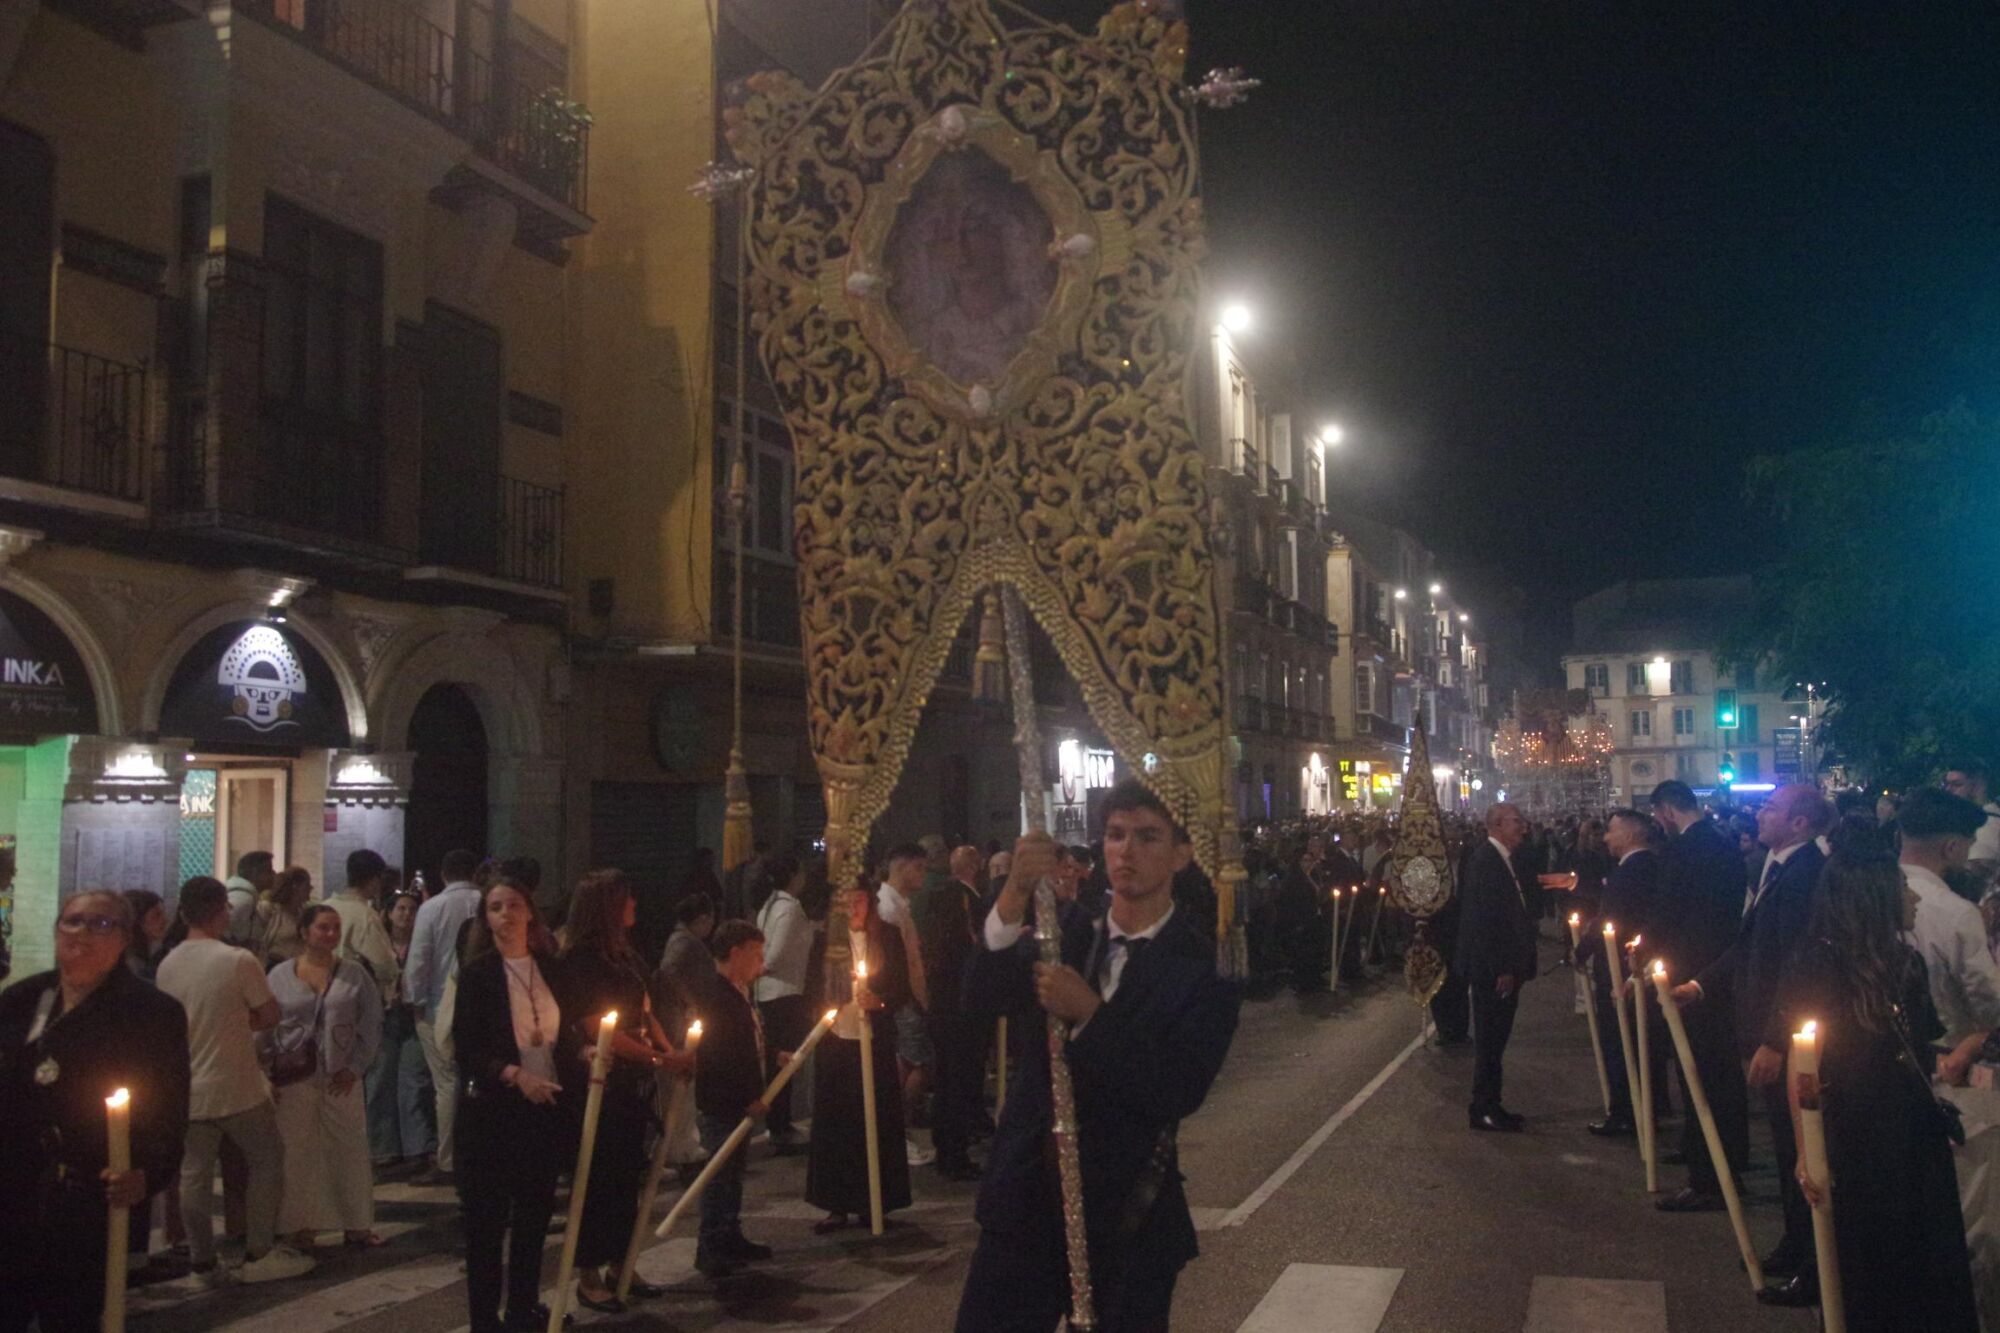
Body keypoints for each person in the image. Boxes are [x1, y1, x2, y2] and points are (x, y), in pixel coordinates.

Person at [956, 780, 1241, 1332]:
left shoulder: (1203, 965)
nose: (1125, 851)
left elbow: (1176, 1088)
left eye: (1147, 836)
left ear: (1182, 853)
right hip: (1026, 1204)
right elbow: (979, 1000)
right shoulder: (1065, 932)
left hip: (1126, 1217)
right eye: (1114, 835)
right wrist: (1013, 892)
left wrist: (1090, 1015)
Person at [1780, 832, 1979, 1331]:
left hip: (1911, 1130)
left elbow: (1919, 1044)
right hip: (1858, 1131)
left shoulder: (1906, 963)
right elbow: (1803, 1065)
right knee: (1871, 1257)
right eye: (1901, 889)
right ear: (1874, 897)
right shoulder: (1822, 965)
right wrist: (1808, 1152)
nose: (1912, 898)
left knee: (1923, 1254)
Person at [0, 890, 190, 1332]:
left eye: (102, 924)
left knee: (70, 1315)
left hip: (86, 1199)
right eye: (73, 921)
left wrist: (148, 1171)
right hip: (14, 1192)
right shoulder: (22, 1000)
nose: (83, 932)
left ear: (125, 938)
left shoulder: (150, 1013)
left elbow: (168, 1108)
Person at [1677, 783, 1828, 1277]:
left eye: (1771, 808)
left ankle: (1812, 1262)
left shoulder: (1806, 874)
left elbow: (1798, 964)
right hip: (1768, 1026)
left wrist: (1774, 1039)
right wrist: (1700, 984)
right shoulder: (1778, 867)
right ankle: (1795, 1245)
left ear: (1800, 824)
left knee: (1798, 1147)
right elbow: (1750, 944)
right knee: (1787, 1147)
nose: (1760, 815)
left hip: (1785, 1037)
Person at [156, 876, 316, 1282]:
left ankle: (203, 1260)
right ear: (221, 909)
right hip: (239, 1084)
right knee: (266, 1161)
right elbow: (269, 1014)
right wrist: (237, 1019)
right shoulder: (237, 959)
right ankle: (258, 1252)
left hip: (190, 1086)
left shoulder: (169, 963)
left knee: (194, 1174)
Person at [453, 876, 578, 1333]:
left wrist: (582, 1052)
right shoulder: (479, 974)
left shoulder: (550, 966)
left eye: (513, 905)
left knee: (533, 1218)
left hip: (542, 1111)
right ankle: (485, 1319)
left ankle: (523, 1307)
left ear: (530, 912)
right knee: (486, 1225)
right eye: (495, 907)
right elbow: (466, 1047)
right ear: (486, 920)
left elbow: (564, 1032)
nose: (505, 914)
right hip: (493, 1114)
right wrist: (513, 1074)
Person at [558, 868, 685, 1313]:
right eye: (627, 899)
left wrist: (669, 1052)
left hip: (633, 1077)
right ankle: (589, 1273)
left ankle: (623, 1262)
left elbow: (643, 1010)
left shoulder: (625, 955)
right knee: (597, 1176)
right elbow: (597, 1024)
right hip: (601, 1078)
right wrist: (655, 1058)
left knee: (627, 1177)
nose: (635, 906)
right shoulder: (580, 960)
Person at [1650, 780, 1752, 1217]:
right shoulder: (1722, 844)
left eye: (1659, 816)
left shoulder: (1689, 850)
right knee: (1714, 1072)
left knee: (1705, 1074)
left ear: (1668, 811)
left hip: (1695, 976)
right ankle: (1705, 1148)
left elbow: (1672, 914)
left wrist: (1658, 961)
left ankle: (1710, 1175)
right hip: (1715, 970)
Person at [266, 903, 383, 1249]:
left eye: (335, 928)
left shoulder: (354, 974)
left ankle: (356, 1222)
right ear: (305, 932)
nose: (330, 934)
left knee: (348, 1145)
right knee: (297, 1149)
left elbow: (371, 1021)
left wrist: (356, 1066)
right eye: (323, 928)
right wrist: (265, 1068)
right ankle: (300, 1224)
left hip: (339, 1071)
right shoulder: (280, 975)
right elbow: (266, 1023)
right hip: (294, 1073)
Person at [808, 877, 914, 1230]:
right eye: (846, 901)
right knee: (837, 1121)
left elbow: (900, 985)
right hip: (838, 1040)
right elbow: (812, 989)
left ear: (869, 903)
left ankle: (875, 1200)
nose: (853, 907)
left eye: (860, 900)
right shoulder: (825, 941)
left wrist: (880, 1001)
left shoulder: (886, 937)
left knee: (875, 1118)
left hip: (874, 1039)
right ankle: (836, 1201)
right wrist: (829, 1002)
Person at [694, 919, 776, 1278]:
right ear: (735, 953)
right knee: (719, 1173)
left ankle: (730, 1233)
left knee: (733, 1174)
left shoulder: (739, 992)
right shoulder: (716, 995)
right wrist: (746, 1096)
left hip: (738, 1100)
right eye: (756, 954)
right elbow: (721, 1056)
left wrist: (775, 1058)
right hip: (722, 1103)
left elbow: (750, 1041)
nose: (762, 962)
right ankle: (710, 1244)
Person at [1455, 802, 1538, 1132]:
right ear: (1496, 825)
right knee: (1490, 1040)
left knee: (1497, 1040)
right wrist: (1503, 967)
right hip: (1493, 970)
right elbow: (1486, 920)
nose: (1522, 827)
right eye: (1516, 821)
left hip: (1502, 965)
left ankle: (1492, 1102)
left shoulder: (1502, 859)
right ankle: (1483, 1107)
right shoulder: (1486, 861)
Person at [406, 847, 483, 1182]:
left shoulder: (432, 907)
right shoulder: (486, 901)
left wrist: (415, 998)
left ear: (443, 874)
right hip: (480, 1006)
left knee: (446, 1083)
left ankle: (448, 1159)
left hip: (439, 1005)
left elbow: (420, 957)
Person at [1585, 809, 1663, 1138]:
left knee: (1621, 1042)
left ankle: (1625, 1112)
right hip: (1632, 967)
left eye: (1612, 831)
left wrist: (1582, 948)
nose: (1605, 837)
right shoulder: (1649, 866)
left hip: (1621, 971)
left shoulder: (1632, 871)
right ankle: (1647, 1105)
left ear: (1630, 835)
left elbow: (1611, 918)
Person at [918, 844, 988, 1180]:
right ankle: (952, 1152)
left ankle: (950, 1146)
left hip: (945, 1009)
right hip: (955, 1012)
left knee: (949, 1081)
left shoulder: (940, 946)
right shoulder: (955, 951)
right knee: (954, 1082)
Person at [368, 889, 434, 1171]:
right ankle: (383, 1148)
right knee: (381, 1079)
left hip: (413, 1016)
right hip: (384, 1018)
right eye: (401, 909)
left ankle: (416, 1148)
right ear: (389, 913)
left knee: (413, 1081)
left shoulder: (422, 944)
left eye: (412, 909)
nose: (406, 914)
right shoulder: (378, 946)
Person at [754, 855, 813, 1155]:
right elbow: (774, 954)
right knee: (784, 1061)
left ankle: (779, 1122)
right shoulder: (788, 909)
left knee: (779, 1060)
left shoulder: (770, 905)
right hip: (784, 993)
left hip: (771, 992)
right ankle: (779, 1125)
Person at [253, 867, 314, 967]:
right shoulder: (269, 909)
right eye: (307, 885)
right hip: (273, 966)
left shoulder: (304, 912)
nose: (310, 888)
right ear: (296, 886)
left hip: (297, 967)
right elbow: (257, 940)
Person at [1946, 761, 2000, 869]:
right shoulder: (1968, 818)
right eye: (1947, 784)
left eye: (1957, 785)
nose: (1948, 790)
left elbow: (1977, 867)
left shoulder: (1988, 822)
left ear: (1979, 786)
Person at [225, 851, 276, 947]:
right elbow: (220, 931)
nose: (274, 874)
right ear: (255, 873)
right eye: (269, 871)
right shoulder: (243, 899)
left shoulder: (246, 897)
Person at [122, 888, 170, 982]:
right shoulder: (132, 964)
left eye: (163, 913)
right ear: (137, 920)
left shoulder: (153, 955)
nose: (165, 920)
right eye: (156, 915)